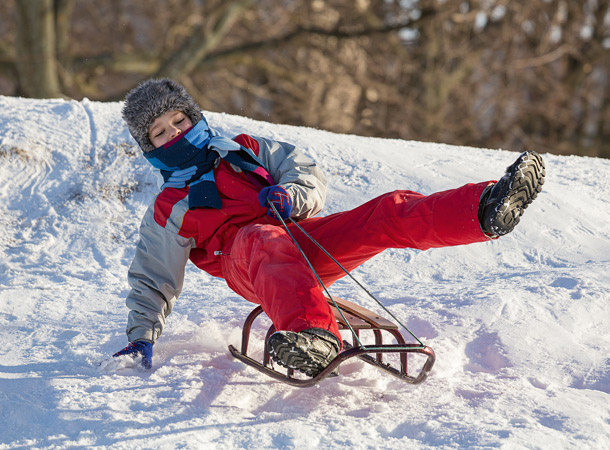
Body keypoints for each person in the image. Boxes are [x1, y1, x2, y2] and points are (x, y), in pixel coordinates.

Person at [113, 78, 545, 376]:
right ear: (150, 148)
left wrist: (292, 195)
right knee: (261, 238)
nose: (175, 133)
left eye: (179, 121)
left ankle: (485, 209)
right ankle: (314, 337)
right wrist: (140, 335)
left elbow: (305, 171)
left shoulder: (244, 149)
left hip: (301, 243)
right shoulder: (171, 206)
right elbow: (154, 276)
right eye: (160, 133)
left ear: (194, 116)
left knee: (386, 211)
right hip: (248, 263)